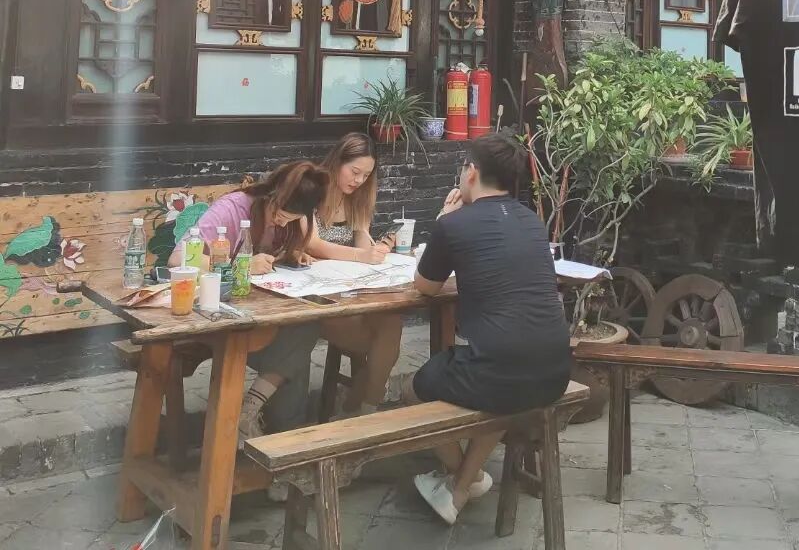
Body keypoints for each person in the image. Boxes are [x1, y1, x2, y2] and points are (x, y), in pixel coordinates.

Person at [407, 132, 571, 526]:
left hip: (500, 375)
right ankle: (462, 485)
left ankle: (464, 478)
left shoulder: (454, 224)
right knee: (497, 383)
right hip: (555, 371)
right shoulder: (532, 221)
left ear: (471, 172)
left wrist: (443, 221)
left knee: (410, 390)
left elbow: (425, 286)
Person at [169, 160, 328, 436]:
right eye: (280, 214)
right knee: (297, 346)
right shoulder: (232, 209)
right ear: (271, 194)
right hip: (215, 310)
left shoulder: (291, 221)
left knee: (306, 326)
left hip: (261, 310)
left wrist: (292, 254)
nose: (282, 222)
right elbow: (177, 259)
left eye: (292, 219)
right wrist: (239, 265)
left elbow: (277, 252)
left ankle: (258, 420)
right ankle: (278, 436)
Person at [307, 132, 404, 414]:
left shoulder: (358, 198)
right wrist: (361, 256)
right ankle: (364, 405)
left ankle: (365, 406)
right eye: (354, 171)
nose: (359, 180)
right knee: (383, 347)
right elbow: (312, 244)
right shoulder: (311, 189)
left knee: (392, 321)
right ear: (338, 162)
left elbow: (362, 243)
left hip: (350, 290)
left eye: (366, 175)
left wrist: (375, 251)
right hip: (316, 296)